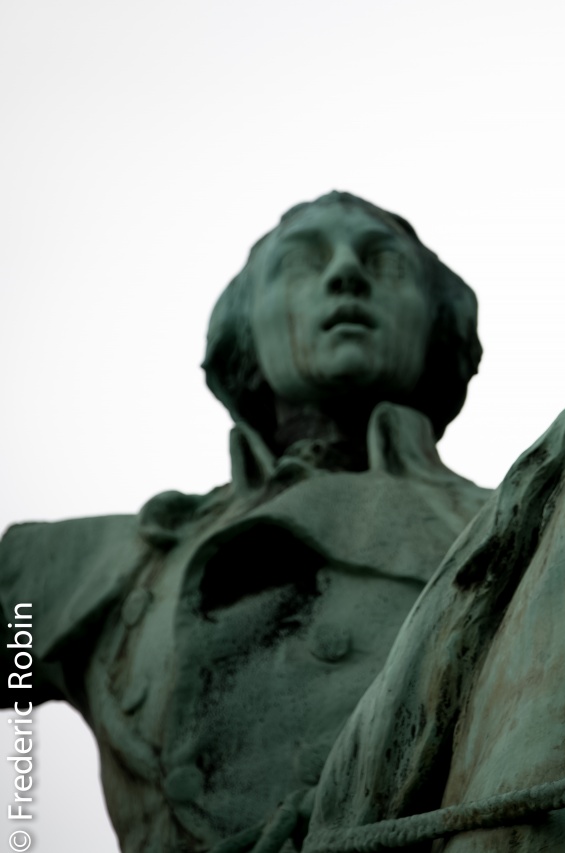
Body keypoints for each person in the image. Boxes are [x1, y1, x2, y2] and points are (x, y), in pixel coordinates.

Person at [0, 191, 491, 852]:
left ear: (437, 325)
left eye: (386, 264)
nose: (346, 273)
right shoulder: (98, 560)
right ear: (245, 329)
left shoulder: (520, 521)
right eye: (302, 262)